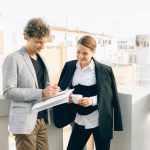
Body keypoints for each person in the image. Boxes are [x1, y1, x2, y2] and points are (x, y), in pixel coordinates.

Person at [53, 35, 123, 150]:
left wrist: (91, 100)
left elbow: (108, 96)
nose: (80, 56)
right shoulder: (69, 65)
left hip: (100, 120)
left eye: (85, 53)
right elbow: (63, 87)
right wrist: (67, 97)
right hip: (80, 119)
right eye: (78, 52)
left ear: (93, 52)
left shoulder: (105, 70)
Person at [2, 18, 60, 150]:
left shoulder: (42, 59)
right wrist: (41, 93)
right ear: (27, 36)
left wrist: (52, 91)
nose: (42, 46)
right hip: (24, 122)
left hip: (42, 120)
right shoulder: (13, 58)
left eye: (44, 42)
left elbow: (42, 86)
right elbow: (8, 91)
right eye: (38, 42)